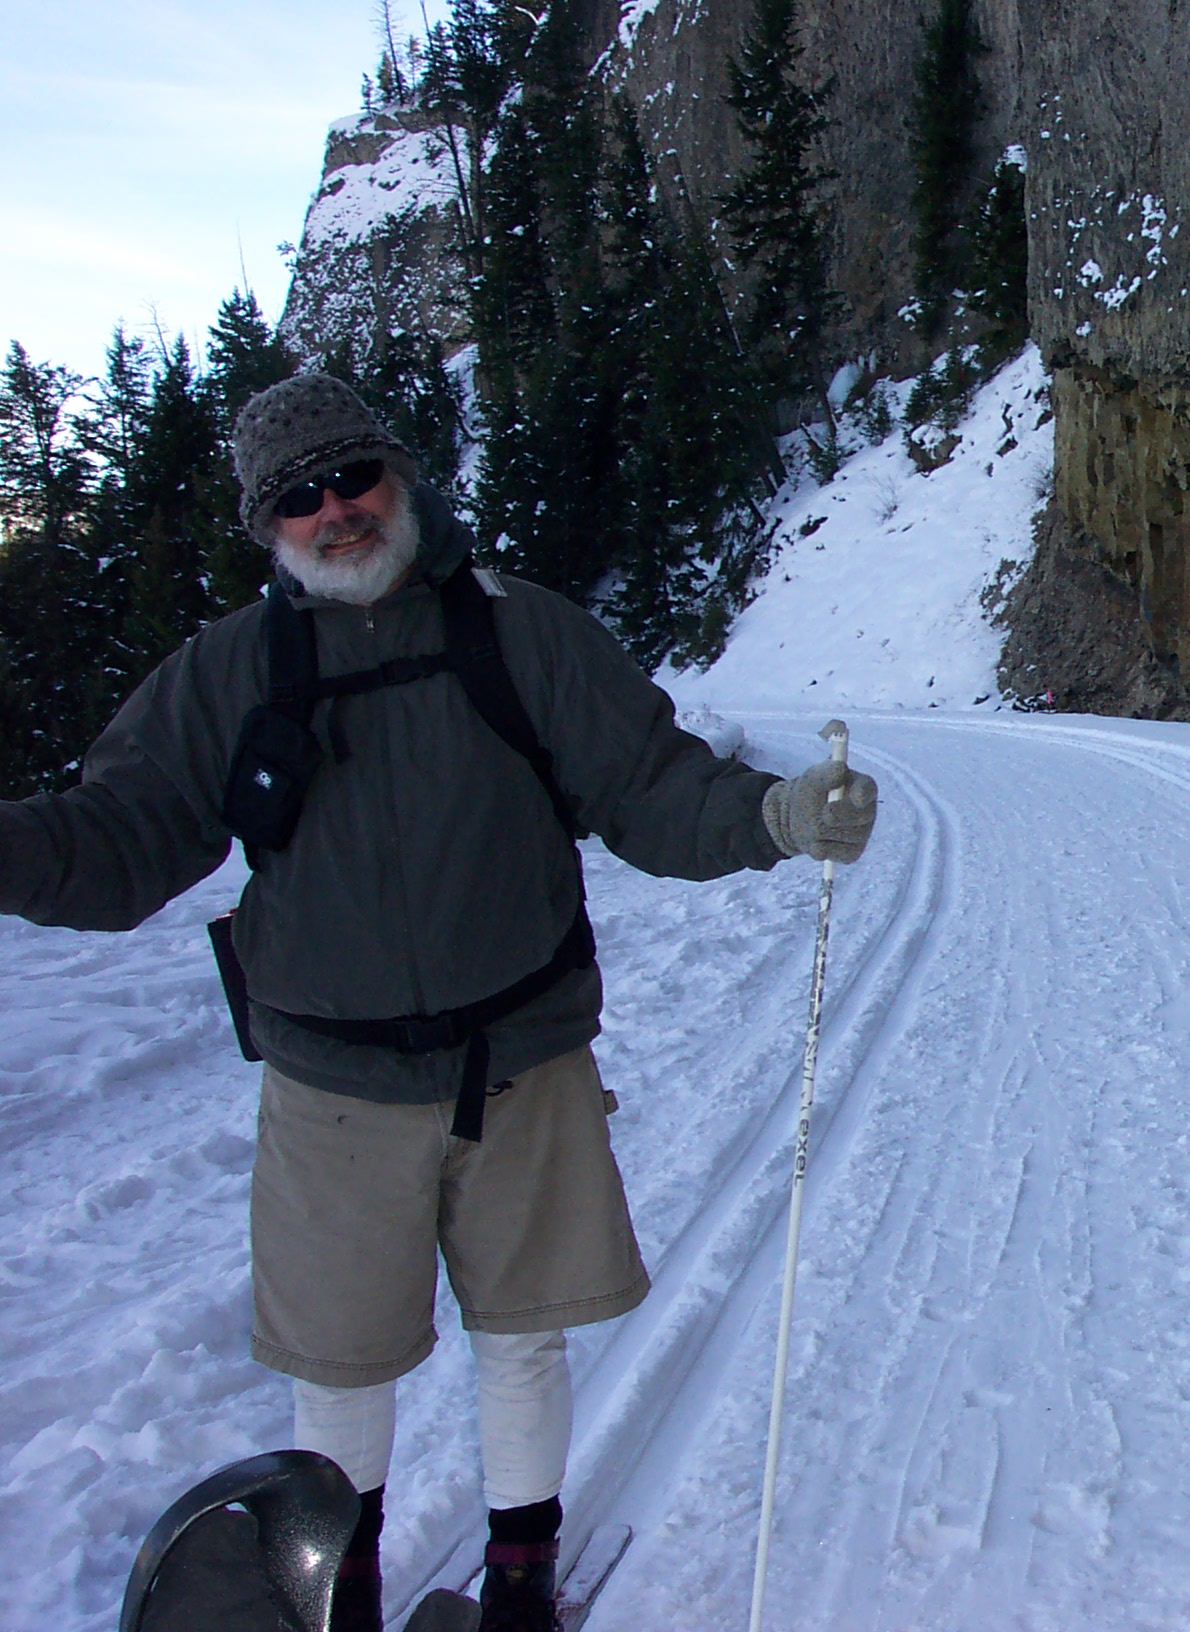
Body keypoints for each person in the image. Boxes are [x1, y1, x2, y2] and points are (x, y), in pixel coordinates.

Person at [0, 374, 878, 1632]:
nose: (336, 512)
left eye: (354, 479)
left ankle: (520, 1587)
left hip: (521, 1060)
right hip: (330, 1088)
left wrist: (774, 817)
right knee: (340, 1368)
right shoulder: (229, 672)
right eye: (299, 499)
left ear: (400, 478)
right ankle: (338, 1597)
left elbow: (651, 785)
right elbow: (115, 842)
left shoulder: (522, 631)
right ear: (269, 528)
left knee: (524, 1337)